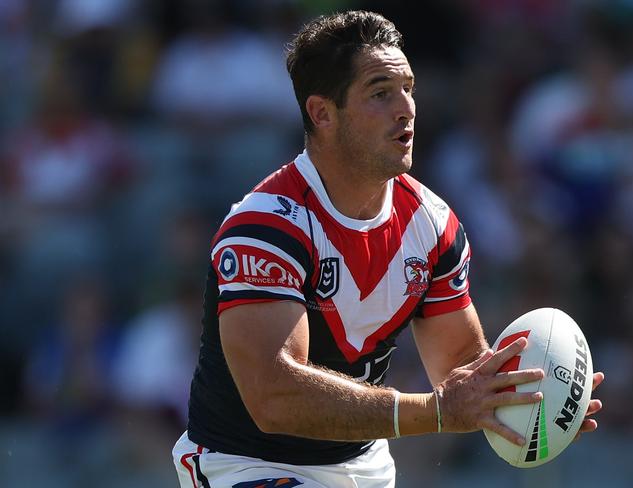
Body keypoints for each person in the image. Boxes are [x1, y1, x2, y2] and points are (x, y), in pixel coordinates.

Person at [172, 10, 604, 488]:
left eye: (409, 88)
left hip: (366, 469)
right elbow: (274, 397)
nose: (406, 108)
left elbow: (462, 369)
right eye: (381, 92)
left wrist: (535, 402)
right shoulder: (265, 229)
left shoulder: (433, 224)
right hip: (247, 466)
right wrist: (437, 412)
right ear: (322, 113)